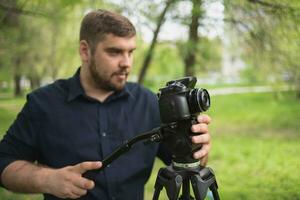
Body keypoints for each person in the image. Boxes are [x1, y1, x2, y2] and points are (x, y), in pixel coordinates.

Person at [0, 9, 212, 200]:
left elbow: (184, 162)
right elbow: (4, 163)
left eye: (130, 52)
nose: (126, 63)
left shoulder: (149, 102)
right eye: (114, 52)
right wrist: (47, 179)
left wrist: (197, 148)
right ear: (85, 51)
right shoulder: (43, 104)